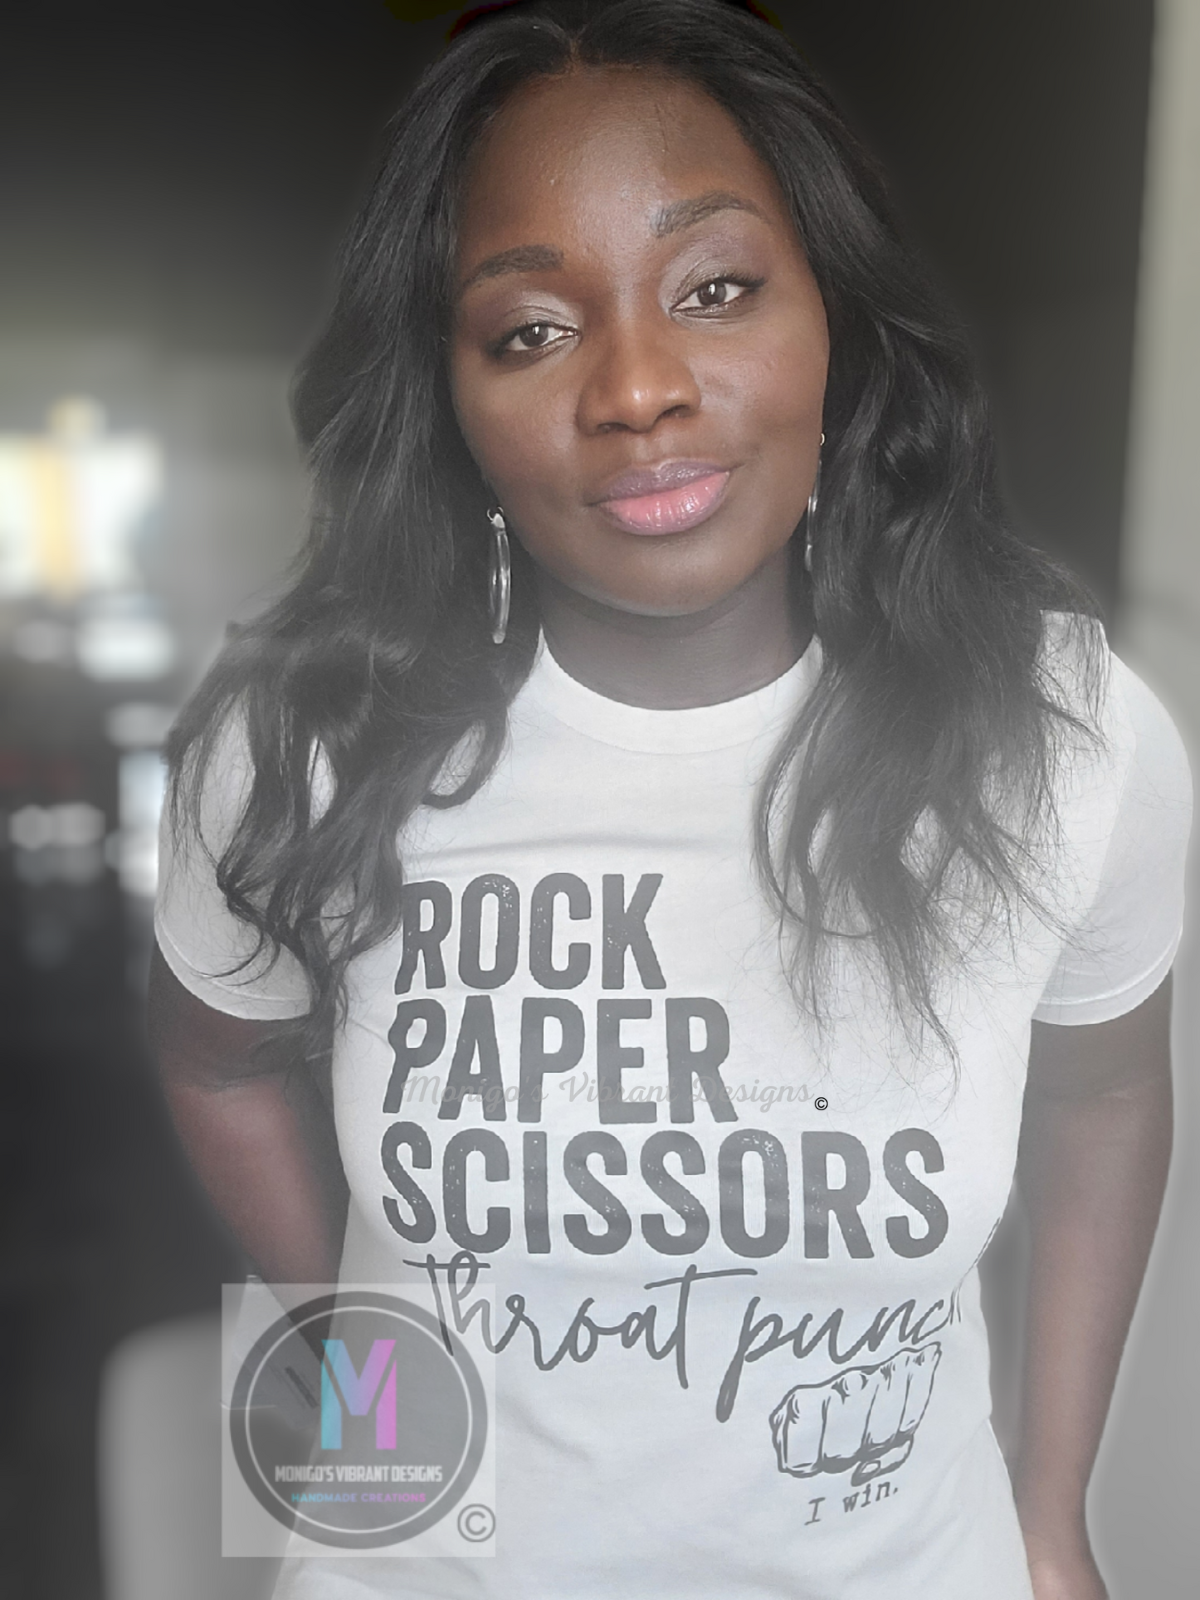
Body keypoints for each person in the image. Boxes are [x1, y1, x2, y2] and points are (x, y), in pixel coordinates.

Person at [147, 2, 1192, 1596]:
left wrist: (1054, 1511)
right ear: (451, 402)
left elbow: (1108, 1095)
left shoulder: (1053, 739)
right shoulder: (304, 742)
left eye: (715, 289)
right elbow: (218, 1056)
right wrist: (361, 1338)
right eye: (531, 330)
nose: (637, 387)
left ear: (831, 323)